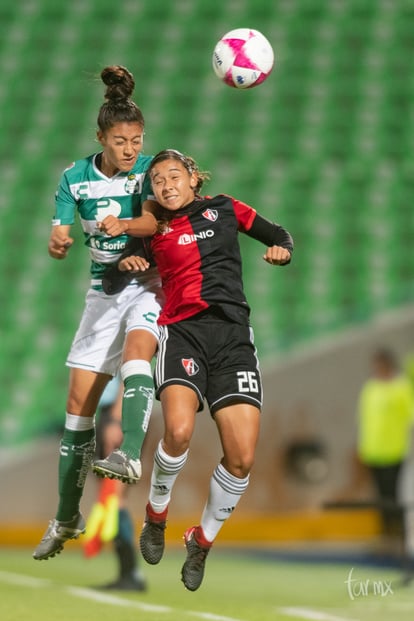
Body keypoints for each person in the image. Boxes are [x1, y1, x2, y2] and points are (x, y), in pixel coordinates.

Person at [98, 149, 294, 590]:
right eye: (158, 180)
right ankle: (156, 514)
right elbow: (114, 278)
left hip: (233, 339)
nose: (166, 185)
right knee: (179, 431)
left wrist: (283, 250)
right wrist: (123, 266)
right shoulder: (153, 228)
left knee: (242, 457)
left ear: (192, 178)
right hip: (182, 333)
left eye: (173, 176)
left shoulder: (226, 207)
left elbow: (279, 233)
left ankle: (201, 542)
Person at [33, 65, 164, 561]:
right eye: (120, 140)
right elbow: (60, 234)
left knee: (137, 356)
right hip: (103, 292)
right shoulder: (74, 177)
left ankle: (129, 453)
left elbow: (154, 219)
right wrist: (58, 240)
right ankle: (67, 516)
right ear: (101, 138)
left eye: (136, 139)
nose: (130, 149)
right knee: (77, 410)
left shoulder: (150, 169)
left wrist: (131, 229)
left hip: (149, 283)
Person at [83, 376, 147, 591]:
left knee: (114, 497)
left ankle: (131, 574)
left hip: (119, 414)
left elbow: (129, 374)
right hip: (114, 413)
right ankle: (128, 573)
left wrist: (116, 420)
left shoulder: (122, 341)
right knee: (114, 497)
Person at [357, 347, 414, 539]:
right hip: (374, 451)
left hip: (394, 450)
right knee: (380, 495)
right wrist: (363, 447)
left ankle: (397, 533)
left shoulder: (401, 387)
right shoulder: (370, 388)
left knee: (392, 495)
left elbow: (410, 414)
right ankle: (386, 533)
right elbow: (365, 420)